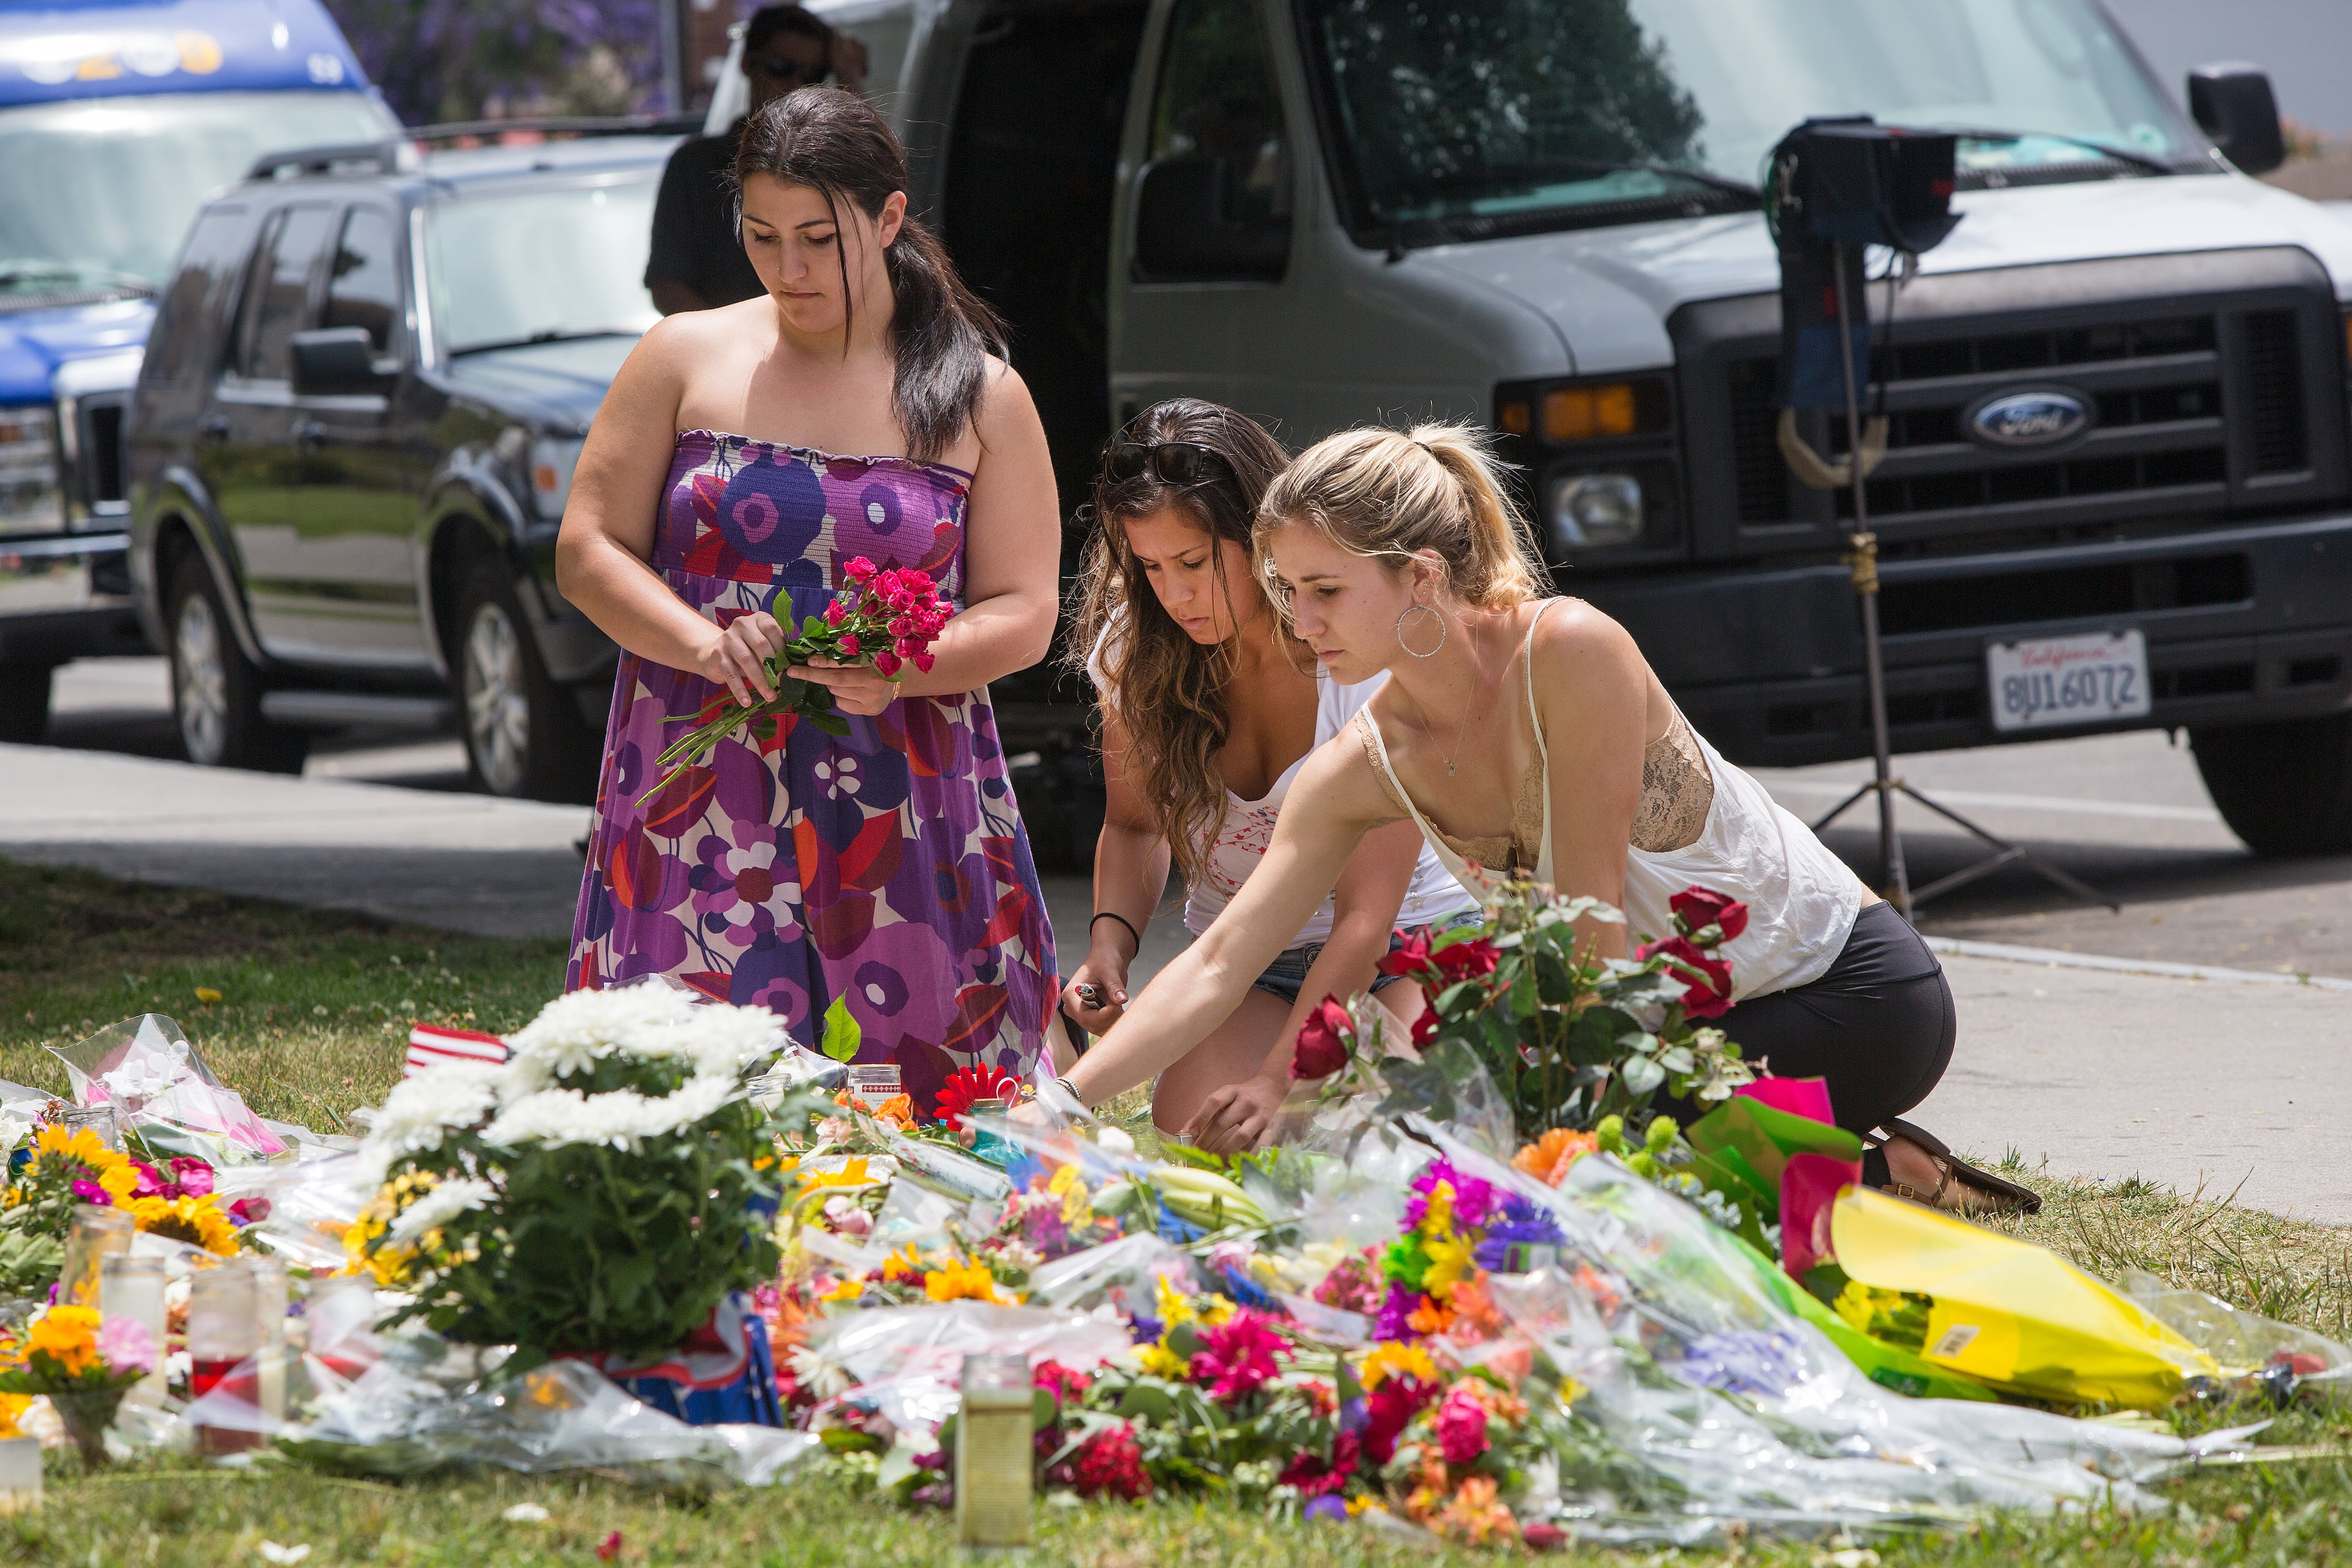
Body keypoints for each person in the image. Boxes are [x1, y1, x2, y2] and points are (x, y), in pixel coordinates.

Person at [1055, 423, 2036, 1212]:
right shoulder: (1366, 756)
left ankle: (1869, 1177)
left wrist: (1535, 1131)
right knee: (1465, 1161)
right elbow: (1224, 958)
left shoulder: (1571, 649)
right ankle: (1872, 1174)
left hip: (1848, 995)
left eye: (1324, 592)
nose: (1301, 624)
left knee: (1534, 1172)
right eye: (1287, 591)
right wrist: (1054, 1102)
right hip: (1669, 1026)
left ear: (1423, 579)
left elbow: (1589, 938)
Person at [557, 87, 1063, 1118]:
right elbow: (588, 548)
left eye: (819, 239)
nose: (789, 271)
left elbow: (1025, 608)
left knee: (928, 1113)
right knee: (686, 1097)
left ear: (886, 219)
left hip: (902, 796)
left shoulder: (980, 394)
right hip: (699, 784)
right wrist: (701, 644)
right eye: (762, 236)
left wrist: (907, 667)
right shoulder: (682, 355)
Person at [1060, 399, 1477, 1146]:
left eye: (1194, 562)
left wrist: (1279, 1077)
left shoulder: (1356, 654)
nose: (1175, 593)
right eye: (1150, 567)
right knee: (1201, 1127)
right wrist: (1109, 946)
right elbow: (1133, 823)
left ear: (1262, 539)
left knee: (1378, 1136)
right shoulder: (1136, 649)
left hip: (1402, 949)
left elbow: (1365, 917)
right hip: (1248, 958)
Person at [645, 5, 870, 315]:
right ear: (748, 64)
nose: (795, 84)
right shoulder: (694, 165)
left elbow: (880, 196)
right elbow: (668, 285)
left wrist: (848, 77)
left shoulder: (834, 162)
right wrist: (734, 346)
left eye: (813, 75)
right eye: (780, 66)